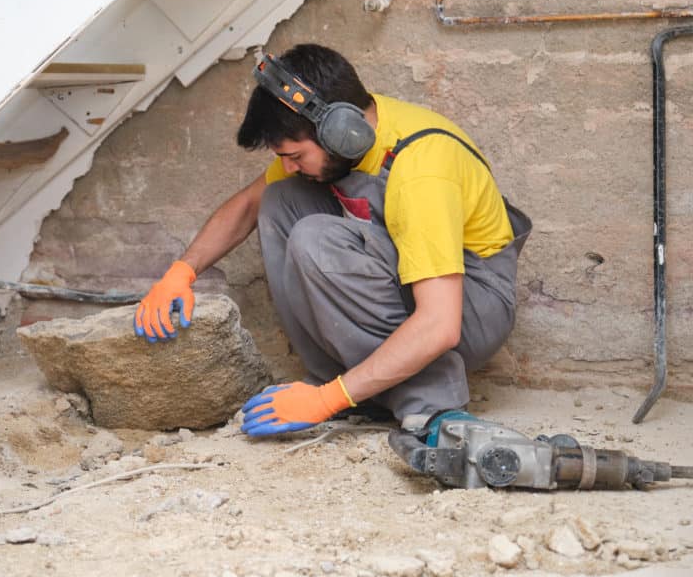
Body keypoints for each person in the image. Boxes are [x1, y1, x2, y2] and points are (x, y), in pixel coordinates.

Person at [133, 43, 530, 438]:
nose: (287, 165)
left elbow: (441, 325)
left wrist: (326, 403)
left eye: (296, 155)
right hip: (418, 287)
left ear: (343, 132)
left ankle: (430, 403)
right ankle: (347, 380)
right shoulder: (352, 132)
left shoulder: (422, 170)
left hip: (472, 304)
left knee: (316, 239)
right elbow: (248, 204)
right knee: (279, 200)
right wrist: (181, 273)